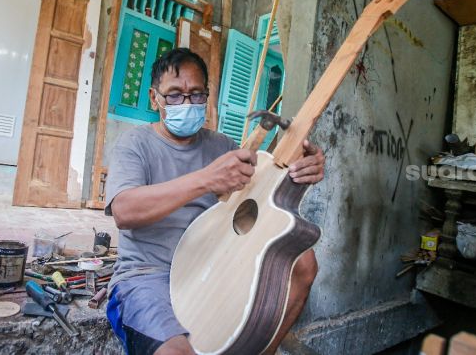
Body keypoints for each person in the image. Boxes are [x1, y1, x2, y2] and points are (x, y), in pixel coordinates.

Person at [105, 48, 325, 355]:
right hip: (148, 275)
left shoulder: (221, 145)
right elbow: (124, 211)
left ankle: (262, 350)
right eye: (174, 95)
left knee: (303, 262)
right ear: (154, 98)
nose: (186, 103)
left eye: (196, 95)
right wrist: (206, 179)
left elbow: (254, 202)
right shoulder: (135, 144)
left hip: (211, 263)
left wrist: (300, 170)